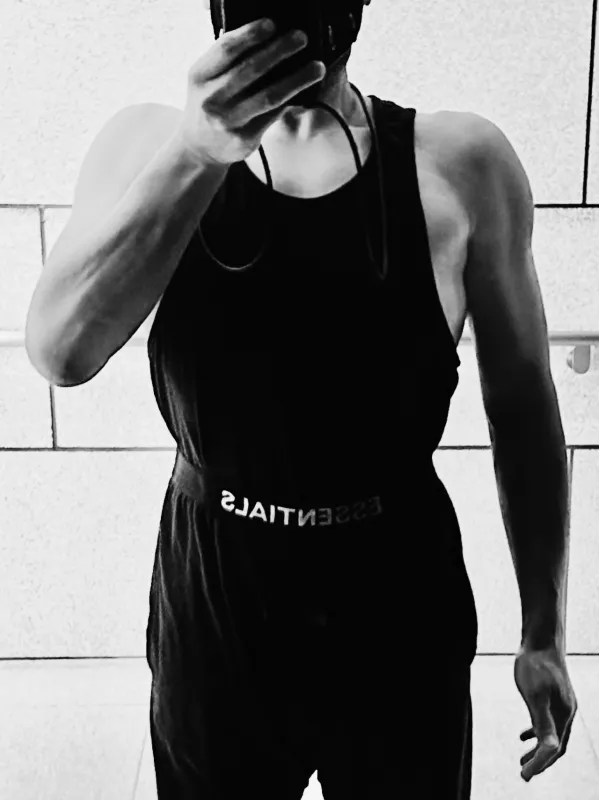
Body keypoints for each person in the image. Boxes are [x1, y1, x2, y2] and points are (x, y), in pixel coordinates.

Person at [25, 1, 578, 797]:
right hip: (217, 589)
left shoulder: (461, 164)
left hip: (396, 587)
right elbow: (61, 351)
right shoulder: (148, 147)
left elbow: (522, 410)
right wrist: (196, 152)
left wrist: (543, 633)